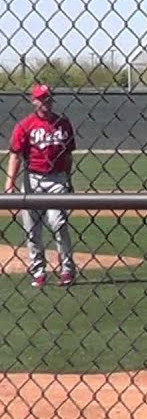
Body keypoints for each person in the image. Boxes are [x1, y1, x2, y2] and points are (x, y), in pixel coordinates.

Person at [5, 84, 76, 288]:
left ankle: (67, 270)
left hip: (57, 178)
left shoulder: (63, 123)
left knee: (58, 223)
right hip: (32, 179)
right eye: (41, 98)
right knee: (32, 229)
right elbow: (15, 155)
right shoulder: (25, 125)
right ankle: (38, 272)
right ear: (33, 101)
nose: (46, 102)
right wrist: (9, 182)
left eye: (48, 98)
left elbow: (68, 154)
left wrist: (68, 179)